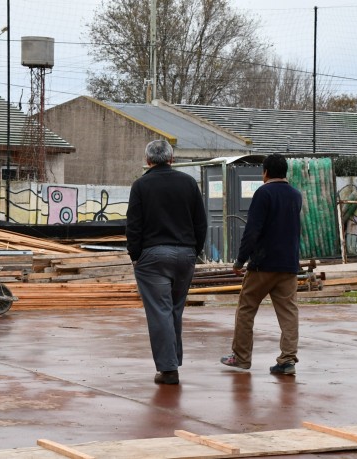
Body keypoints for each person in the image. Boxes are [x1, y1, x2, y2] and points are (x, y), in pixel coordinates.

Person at [126, 139, 208, 385]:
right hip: (185, 254)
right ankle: (173, 361)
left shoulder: (140, 185)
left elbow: (134, 225)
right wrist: (195, 250)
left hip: (153, 256)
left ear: (148, 160)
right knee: (174, 309)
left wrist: (135, 255)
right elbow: (200, 222)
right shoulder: (189, 183)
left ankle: (169, 369)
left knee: (160, 311)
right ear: (172, 159)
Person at [220, 153, 302, 375]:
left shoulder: (263, 193)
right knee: (288, 313)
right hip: (288, 265)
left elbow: (252, 230)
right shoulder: (296, 195)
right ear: (285, 172)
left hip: (263, 264)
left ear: (265, 172)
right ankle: (287, 360)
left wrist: (240, 260)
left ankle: (241, 357)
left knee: (247, 309)